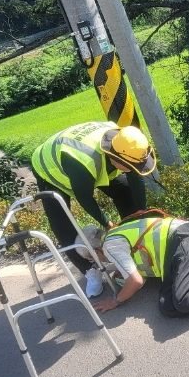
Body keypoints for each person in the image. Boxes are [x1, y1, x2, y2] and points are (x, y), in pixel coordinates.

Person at [31, 121, 156, 298]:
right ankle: (90, 270)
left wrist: (141, 216)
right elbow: (85, 199)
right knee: (61, 224)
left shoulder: (125, 142)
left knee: (126, 192)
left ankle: (133, 248)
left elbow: (136, 179)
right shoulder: (84, 164)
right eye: (130, 166)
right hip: (52, 168)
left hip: (88, 159)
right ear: (115, 159)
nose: (135, 170)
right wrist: (106, 223)